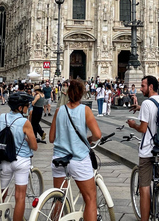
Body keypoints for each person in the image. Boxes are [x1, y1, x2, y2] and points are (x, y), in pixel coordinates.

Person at [49, 79, 102, 221]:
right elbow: (97, 134)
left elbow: (51, 138)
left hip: (59, 159)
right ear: (82, 94)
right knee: (90, 198)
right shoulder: (85, 110)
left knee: (59, 199)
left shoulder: (59, 110)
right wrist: (90, 139)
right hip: (78, 159)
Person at [127, 76, 159, 221]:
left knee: (144, 187)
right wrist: (140, 108)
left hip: (148, 150)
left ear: (150, 87)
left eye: (143, 86)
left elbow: (143, 128)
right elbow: (156, 115)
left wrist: (133, 125)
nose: (140, 89)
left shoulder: (146, 103)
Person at [0, 92, 37, 221]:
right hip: (21, 161)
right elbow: (34, 146)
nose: (28, 107)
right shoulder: (25, 122)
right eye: (27, 105)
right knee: (20, 197)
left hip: (5, 159)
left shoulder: (1, 117)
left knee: (1, 194)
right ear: (20, 108)